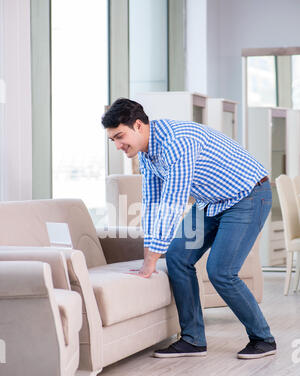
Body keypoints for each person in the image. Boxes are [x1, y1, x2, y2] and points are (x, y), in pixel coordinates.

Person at [102, 98, 276, 360]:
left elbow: (172, 203)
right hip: (212, 201)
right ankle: (193, 340)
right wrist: (150, 254)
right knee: (177, 256)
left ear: (138, 125)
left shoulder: (177, 143)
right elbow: (153, 203)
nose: (117, 145)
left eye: (120, 136)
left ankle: (263, 338)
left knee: (221, 271)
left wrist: (150, 261)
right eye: (112, 139)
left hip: (248, 195)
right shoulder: (148, 153)